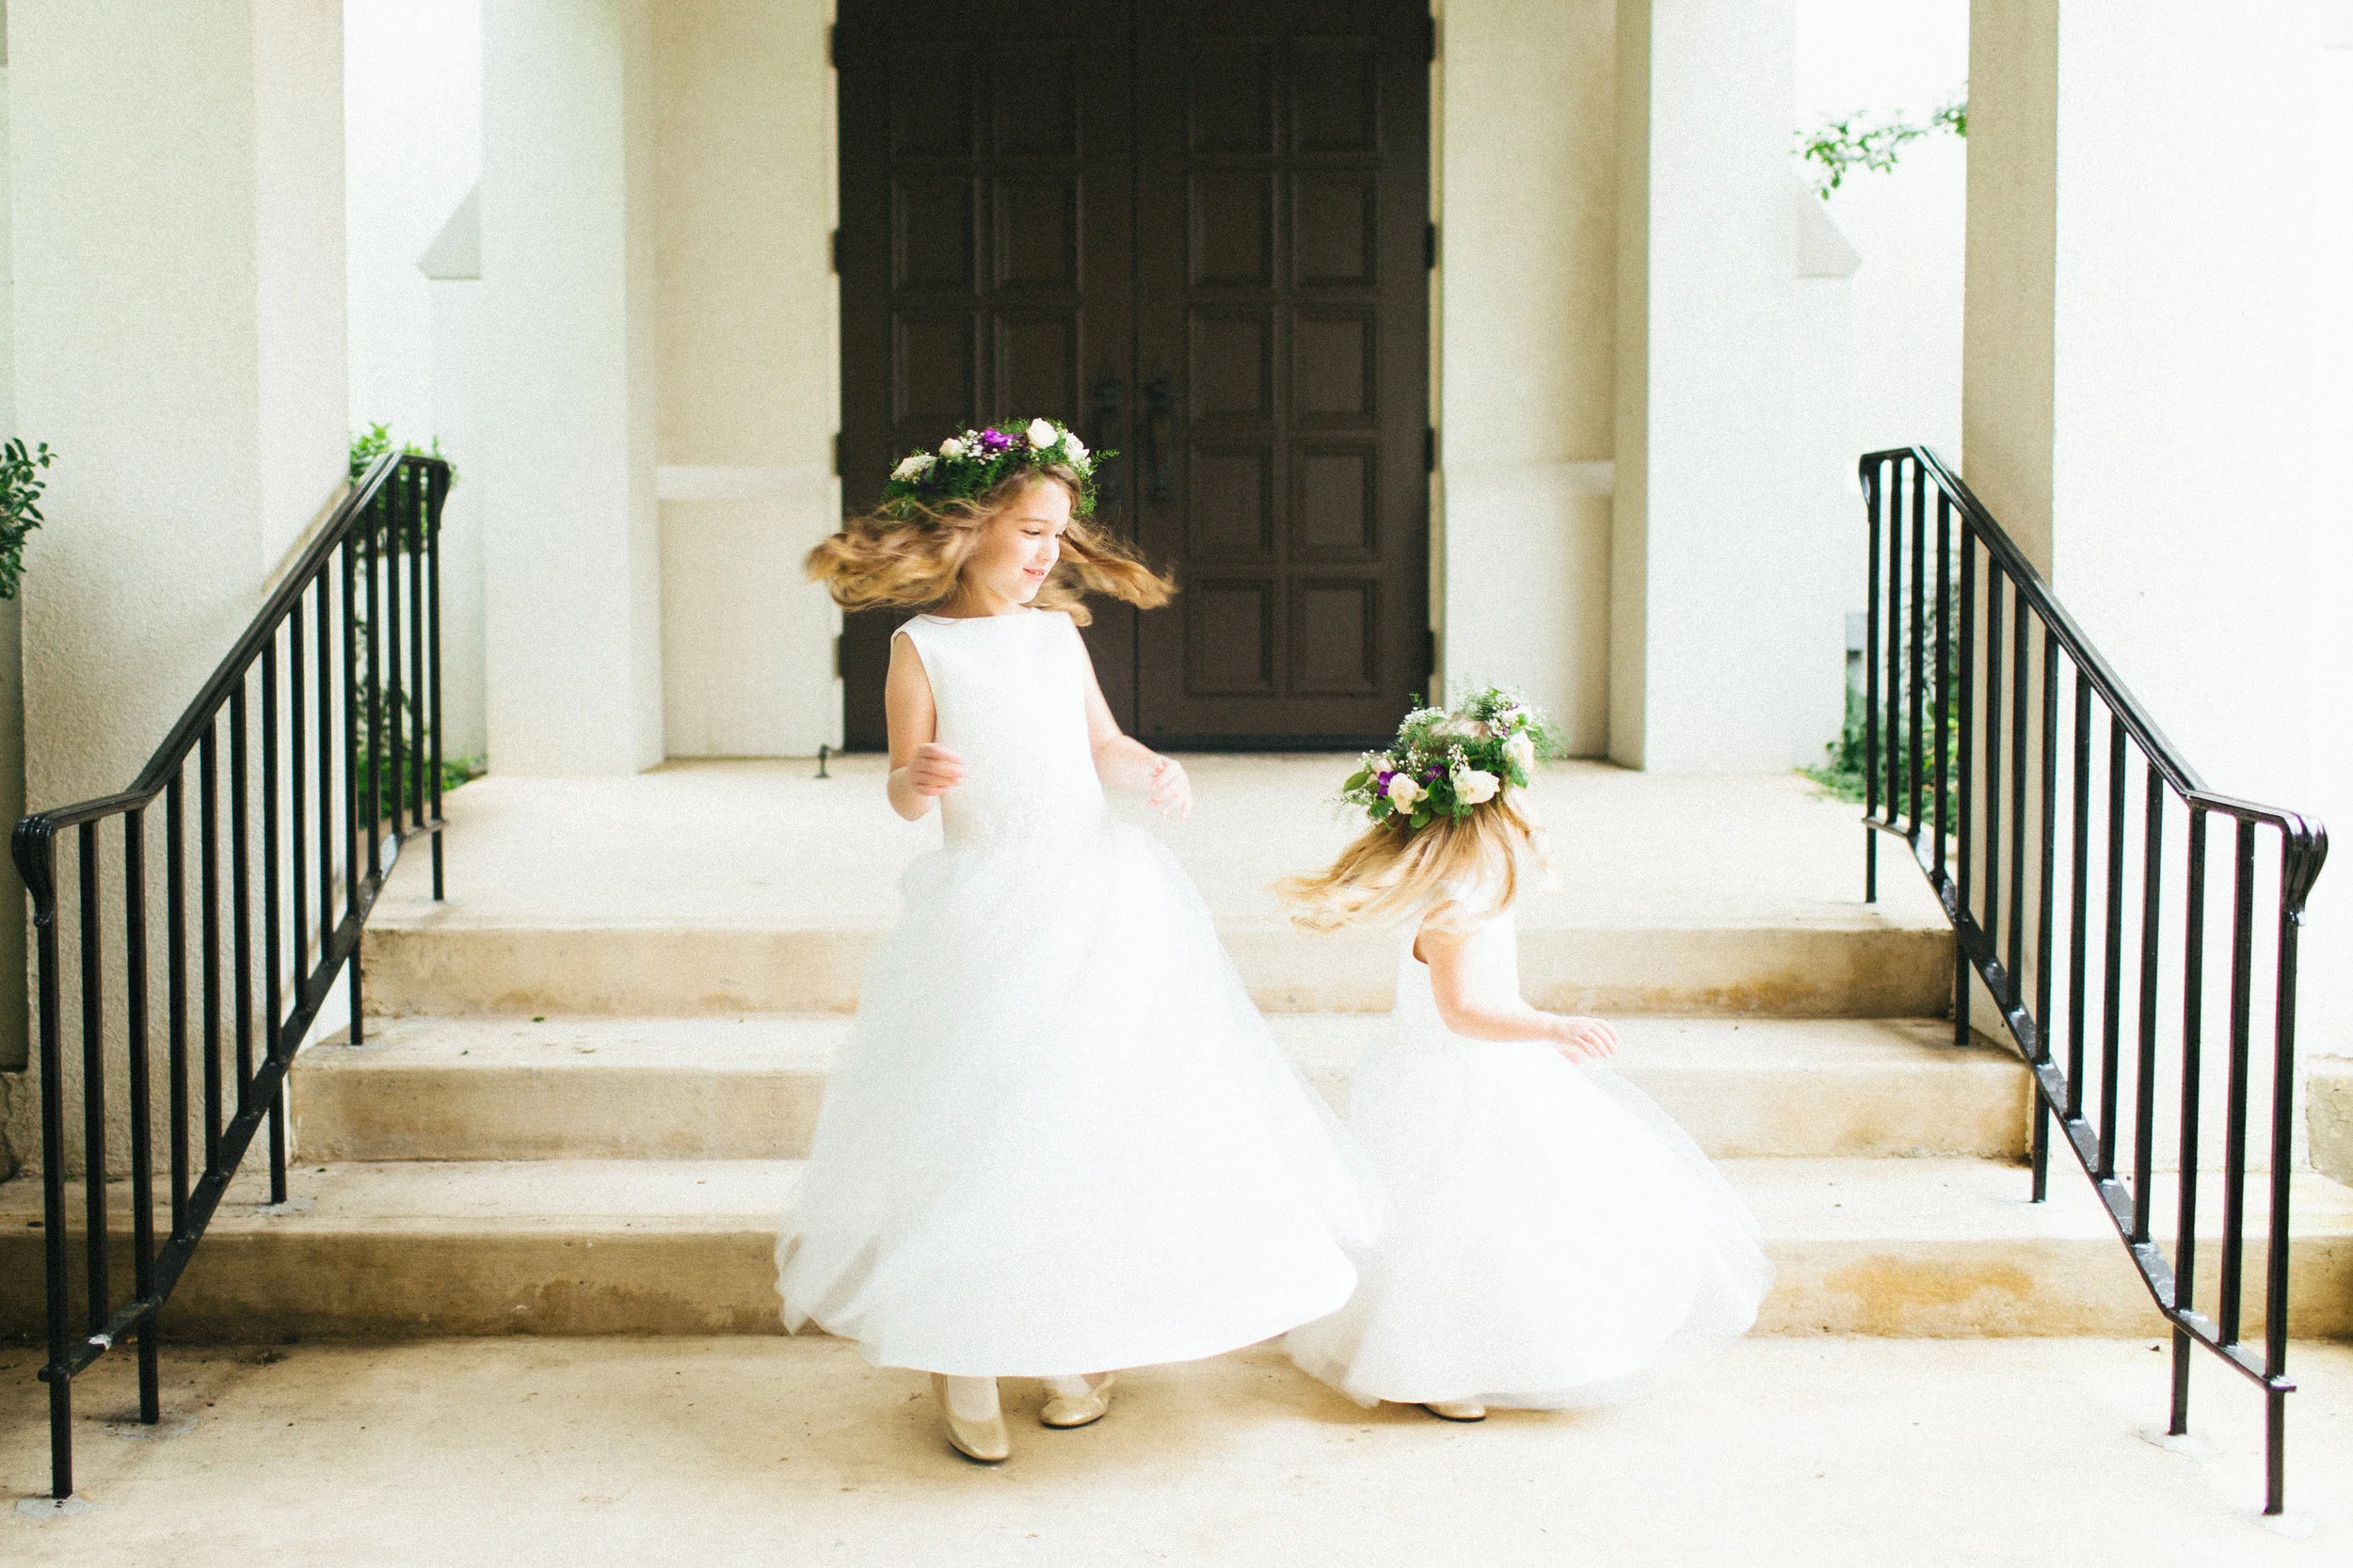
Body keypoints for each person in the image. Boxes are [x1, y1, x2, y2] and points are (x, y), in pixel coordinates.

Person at [778, 418, 1377, 1463]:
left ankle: (1067, 1338)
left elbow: (1102, 743)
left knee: (1077, 1117)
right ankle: (963, 1354)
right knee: (983, 1119)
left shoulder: (1058, 635)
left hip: (1093, 898)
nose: (1048, 552)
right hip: (986, 910)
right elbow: (904, 788)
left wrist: (1151, 768)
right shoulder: (923, 647)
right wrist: (915, 778)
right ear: (969, 529)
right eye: (1030, 531)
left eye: (1057, 534)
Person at [1275, 690, 1772, 1419]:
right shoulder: (1453, 903)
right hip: (1449, 1075)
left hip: (1485, 1063)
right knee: (1448, 1224)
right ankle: (1431, 1366)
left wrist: (1533, 1036)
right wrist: (1550, 1026)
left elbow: (1493, 985)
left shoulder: (1478, 878)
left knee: (1516, 1217)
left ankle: (1497, 1348)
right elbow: (1463, 1011)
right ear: (1487, 798)